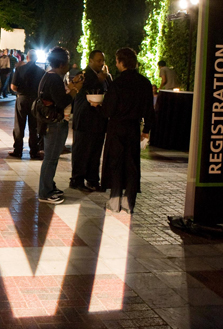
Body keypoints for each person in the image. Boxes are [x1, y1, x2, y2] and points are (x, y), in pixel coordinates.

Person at [98, 48, 155, 214]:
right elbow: (149, 110)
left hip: (116, 127)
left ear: (121, 62)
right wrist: (146, 129)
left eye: (117, 61)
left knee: (115, 163)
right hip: (133, 128)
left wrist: (99, 106)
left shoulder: (117, 83)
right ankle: (129, 202)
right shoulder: (144, 83)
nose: (116, 64)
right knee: (132, 165)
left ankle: (115, 200)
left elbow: (108, 110)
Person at [36, 47, 83, 204]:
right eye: (67, 63)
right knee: (50, 159)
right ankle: (45, 192)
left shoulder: (48, 75)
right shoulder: (54, 78)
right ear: (62, 64)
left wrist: (72, 85)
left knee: (52, 158)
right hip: (55, 124)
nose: (69, 66)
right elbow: (62, 101)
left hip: (50, 122)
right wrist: (75, 89)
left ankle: (49, 186)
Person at [70, 50, 111, 192]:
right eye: (98, 60)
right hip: (84, 119)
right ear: (90, 61)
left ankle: (92, 179)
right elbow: (81, 90)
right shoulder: (83, 75)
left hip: (99, 119)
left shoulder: (105, 76)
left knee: (95, 151)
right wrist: (98, 80)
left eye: (103, 60)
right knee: (81, 151)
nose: (101, 63)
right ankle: (77, 179)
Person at [8, 49, 46, 160]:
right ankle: (34, 151)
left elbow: (13, 86)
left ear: (27, 57)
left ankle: (18, 150)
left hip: (22, 98)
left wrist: (21, 90)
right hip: (35, 100)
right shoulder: (41, 72)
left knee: (19, 125)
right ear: (36, 58)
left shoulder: (19, 69)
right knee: (33, 126)